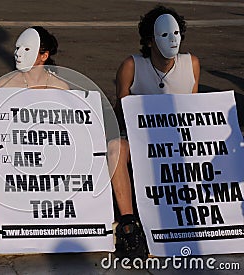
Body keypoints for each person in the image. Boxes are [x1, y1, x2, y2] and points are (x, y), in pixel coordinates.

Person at [108, 5, 200, 260]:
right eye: (164, 35)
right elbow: (122, 109)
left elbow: (194, 109)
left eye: (176, 34)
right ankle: (128, 224)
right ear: (149, 41)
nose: (172, 40)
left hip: (178, 140)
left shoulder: (191, 63)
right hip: (141, 138)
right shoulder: (131, 65)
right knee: (116, 148)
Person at [0, 26, 69, 163]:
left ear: (44, 56)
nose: (18, 53)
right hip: (14, 147)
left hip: (49, 146)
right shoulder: (4, 85)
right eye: (17, 48)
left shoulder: (60, 87)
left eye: (27, 49)